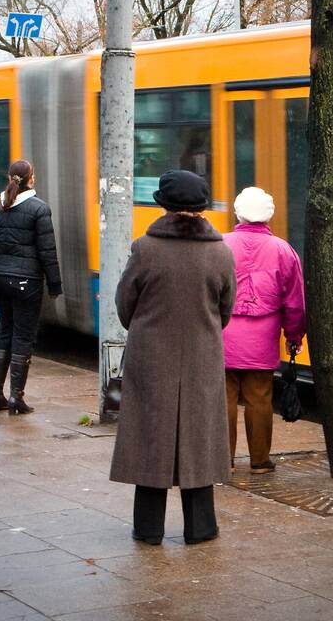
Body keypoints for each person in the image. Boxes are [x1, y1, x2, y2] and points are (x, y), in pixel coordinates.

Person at [110, 169, 236, 545]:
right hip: (202, 357)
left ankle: (148, 528)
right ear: (202, 207)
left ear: (162, 204)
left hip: (151, 357)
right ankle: (201, 527)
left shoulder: (145, 248)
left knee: (151, 437)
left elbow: (124, 304)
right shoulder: (220, 251)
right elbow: (225, 309)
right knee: (198, 438)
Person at [223, 187, 306, 474]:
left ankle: (224, 461)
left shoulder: (220, 245)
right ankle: (259, 461)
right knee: (260, 398)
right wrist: (294, 337)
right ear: (268, 216)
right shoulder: (284, 251)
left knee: (224, 398)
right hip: (262, 339)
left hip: (223, 336)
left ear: (238, 212)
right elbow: (295, 303)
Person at [0, 159, 62, 414]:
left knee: (5, 333)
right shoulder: (39, 209)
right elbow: (47, 252)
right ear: (30, 179)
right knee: (23, 337)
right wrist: (55, 284)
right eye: (35, 175)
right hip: (26, 282)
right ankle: (15, 399)